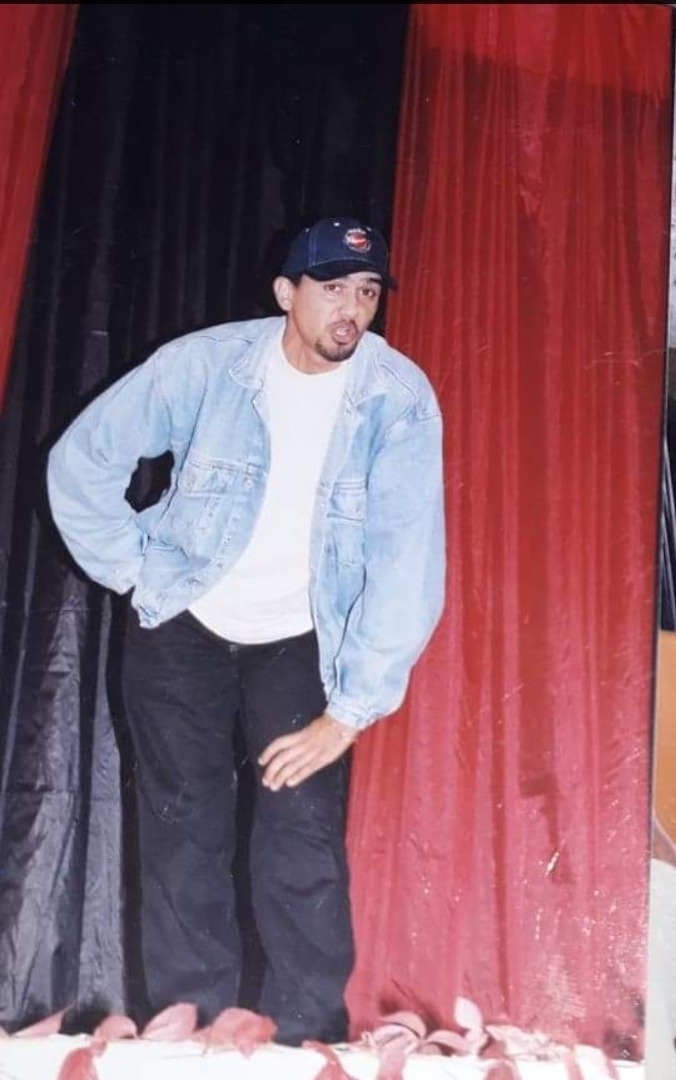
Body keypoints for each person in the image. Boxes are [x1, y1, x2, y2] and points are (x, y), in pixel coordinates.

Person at [46, 216, 446, 1045]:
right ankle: (195, 1031)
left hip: (300, 636)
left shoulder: (397, 398)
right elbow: (81, 462)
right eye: (331, 288)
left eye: (367, 291)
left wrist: (350, 712)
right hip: (184, 624)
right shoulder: (206, 365)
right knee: (183, 827)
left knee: (301, 833)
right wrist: (135, 570)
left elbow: (407, 565)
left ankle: (307, 1040)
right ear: (286, 293)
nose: (351, 309)